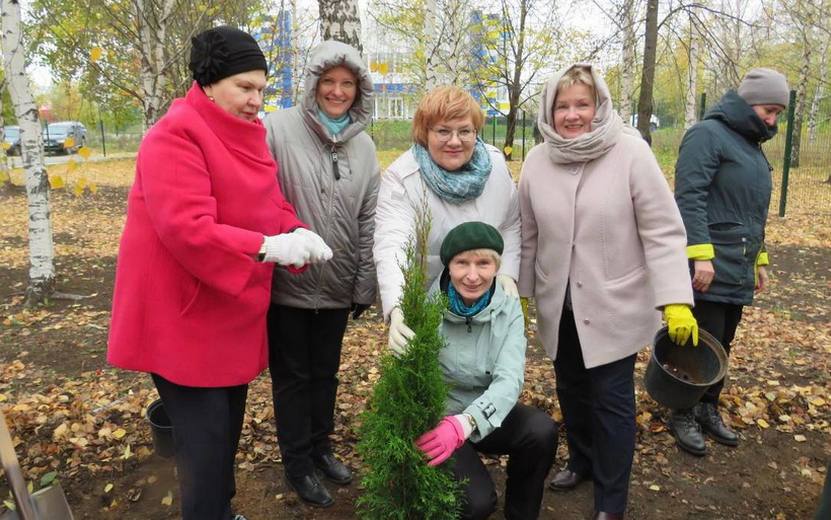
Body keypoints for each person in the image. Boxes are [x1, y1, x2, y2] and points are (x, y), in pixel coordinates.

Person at [107, 26, 332, 520]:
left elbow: (269, 201)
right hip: (182, 320)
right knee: (204, 448)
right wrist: (269, 246)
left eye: (261, 88)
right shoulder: (175, 134)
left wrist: (295, 229)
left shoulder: (246, 132)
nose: (256, 101)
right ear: (210, 83)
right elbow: (187, 228)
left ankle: (220, 511)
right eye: (245, 88)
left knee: (225, 430)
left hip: (227, 313)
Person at [517, 64, 696, 520]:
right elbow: (529, 233)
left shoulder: (631, 153)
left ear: (599, 106)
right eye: (563, 106)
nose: (572, 115)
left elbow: (661, 230)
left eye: (582, 104)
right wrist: (519, 293)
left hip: (614, 305)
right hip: (559, 305)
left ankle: (611, 501)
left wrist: (675, 297)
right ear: (549, 110)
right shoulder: (538, 162)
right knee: (571, 391)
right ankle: (581, 461)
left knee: (612, 402)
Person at [262, 40, 379, 508]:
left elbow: (369, 217)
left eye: (346, 83)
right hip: (287, 282)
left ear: (358, 89)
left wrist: (363, 282)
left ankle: (321, 447)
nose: (336, 91)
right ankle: (297, 464)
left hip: (336, 281)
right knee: (292, 377)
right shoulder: (278, 129)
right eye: (328, 81)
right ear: (313, 83)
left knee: (325, 374)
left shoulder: (364, 145)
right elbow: (259, 197)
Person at [671, 68, 789, 456]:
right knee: (700, 340)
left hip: (738, 263)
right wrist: (700, 254)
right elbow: (689, 196)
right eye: (769, 110)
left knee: (724, 341)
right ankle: (682, 411)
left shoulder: (751, 146)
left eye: (777, 114)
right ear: (749, 100)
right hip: (709, 263)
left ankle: (707, 407)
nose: (772, 120)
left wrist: (761, 258)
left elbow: (752, 212)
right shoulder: (707, 134)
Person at [414, 221, 557, 519]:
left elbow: (510, 379)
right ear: (448, 265)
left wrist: (467, 422)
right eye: (462, 263)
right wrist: (437, 421)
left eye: (483, 263)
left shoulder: (508, 307)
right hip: (440, 420)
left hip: (482, 414)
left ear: (497, 266)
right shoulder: (427, 307)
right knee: (477, 504)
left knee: (541, 431)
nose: (472, 275)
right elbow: (416, 378)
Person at [374, 85, 521, 355]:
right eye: (443, 131)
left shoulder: (496, 168)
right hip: (431, 308)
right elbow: (392, 244)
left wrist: (508, 273)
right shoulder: (403, 179)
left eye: (464, 131)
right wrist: (397, 308)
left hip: (488, 305)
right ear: (424, 133)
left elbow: (510, 223)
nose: (455, 141)